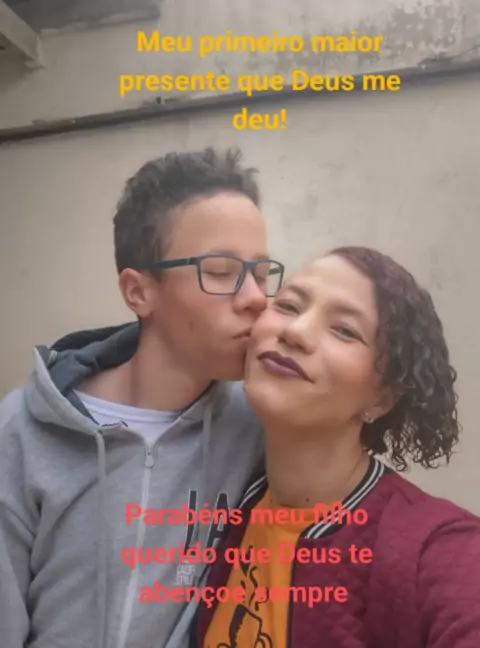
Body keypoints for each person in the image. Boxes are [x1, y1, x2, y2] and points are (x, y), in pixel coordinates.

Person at [0, 147, 285, 648]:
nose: (256, 299)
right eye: (221, 272)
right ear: (138, 292)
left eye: (262, 274)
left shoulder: (260, 426)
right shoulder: (22, 433)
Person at [197, 246, 480, 648]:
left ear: (383, 398)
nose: (295, 332)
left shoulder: (437, 547)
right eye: (289, 306)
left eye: (345, 330)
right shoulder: (228, 501)